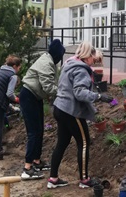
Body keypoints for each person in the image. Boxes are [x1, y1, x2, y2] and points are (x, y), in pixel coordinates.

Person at [47, 42, 113, 189]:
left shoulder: (69, 64)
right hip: (71, 111)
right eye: (93, 59)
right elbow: (79, 93)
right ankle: (84, 179)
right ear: (88, 56)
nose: (93, 63)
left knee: (62, 143)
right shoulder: (81, 70)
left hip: (59, 107)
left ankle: (53, 178)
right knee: (84, 142)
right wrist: (99, 97)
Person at [19, 39, 65, 180]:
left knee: (39, 130)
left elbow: (50, 84)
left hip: (35, 97)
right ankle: (27, 168)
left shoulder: (48, 60)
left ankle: (36, 161)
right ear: (57, 55)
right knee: (33, 132)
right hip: (28, 96)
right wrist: (64, 93)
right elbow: (48, 87)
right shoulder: (46, 63)